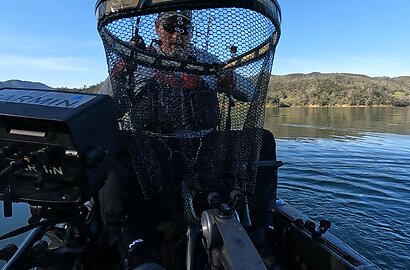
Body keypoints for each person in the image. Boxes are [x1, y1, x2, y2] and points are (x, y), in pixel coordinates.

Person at [98, 10, 279, 270]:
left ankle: (262, 227)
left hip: (205, 145)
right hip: (154, 147)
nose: (177, 34)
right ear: (158, 28)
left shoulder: (207, 61)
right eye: (171, 27)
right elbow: (104, 108)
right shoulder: (136, 59)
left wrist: (229, 79)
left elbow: (250, 93)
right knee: (115, 144)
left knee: (263, 140)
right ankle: (134, 245)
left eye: (185, 28)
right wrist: (120, 71)